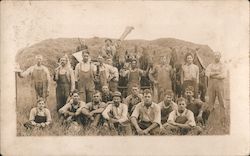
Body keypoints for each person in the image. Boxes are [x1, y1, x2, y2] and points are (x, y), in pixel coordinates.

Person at [205, 51, 227, 125]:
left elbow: (223, 75)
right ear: (213, 56)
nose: (216, 56)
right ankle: (210, 120)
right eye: (215, 55)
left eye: (218, 55)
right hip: (211, 86)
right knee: (210, 103)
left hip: (220, 86)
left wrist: (212, 75)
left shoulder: (223, 65)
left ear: (220, 56)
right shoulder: (210, 65)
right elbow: (207, 73)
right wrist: (216, 73)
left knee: (222, 103)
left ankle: (223, 120)